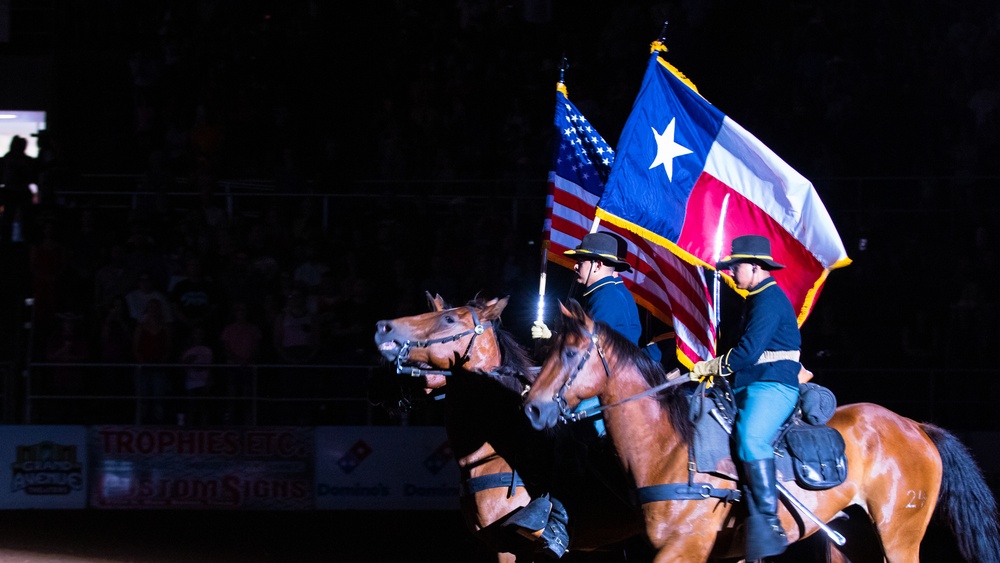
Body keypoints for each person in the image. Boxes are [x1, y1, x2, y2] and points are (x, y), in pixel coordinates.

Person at [520, 231, 662, 559]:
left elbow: (590, 356)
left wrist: (554, 337)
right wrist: (551, 339)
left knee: (569, 434)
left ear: (598, 264)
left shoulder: (606, 297)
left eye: (581, 261)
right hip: (611, 384)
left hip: (611, 392)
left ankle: (558, 522)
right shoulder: (603, 292)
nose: (576, 267)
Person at [689, 234, 801, 561]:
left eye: (736, 266)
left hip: (773, 384)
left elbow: (749, 353)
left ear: (754, 266)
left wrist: (713, 365)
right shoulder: (755, 298)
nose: (732, 272)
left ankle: (767, 521)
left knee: (751, 439)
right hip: (748, 383)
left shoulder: (769, 299)